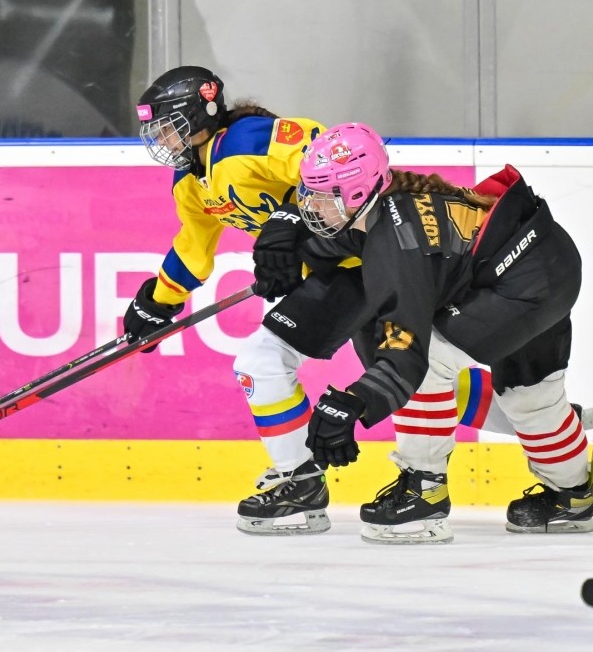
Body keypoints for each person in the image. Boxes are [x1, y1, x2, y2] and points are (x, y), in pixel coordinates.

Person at [124, 66, 532, 536]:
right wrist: (157, 303)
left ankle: (299, 483)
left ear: (202, 112)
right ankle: (550, 427)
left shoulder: (247, 140)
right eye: (156, 130)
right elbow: (193, 249)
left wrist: (285, 222)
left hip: (368, 258)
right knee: (409, 379)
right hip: (340, 270)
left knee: (263, 360)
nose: (160, 139)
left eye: (168, 125)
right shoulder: (190, 183)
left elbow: (326, 153)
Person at [295, 122, 593, 544]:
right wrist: (289, 247)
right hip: (545, 261)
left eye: (322, 194)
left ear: (355, 194)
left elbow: (407, 352)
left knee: (427, 366)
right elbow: (345, 245)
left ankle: (424, 491)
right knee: (530, 399)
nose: (311, 204)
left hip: (524, 284)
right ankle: (572, 497)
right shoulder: (389, 204)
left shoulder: (398, 243)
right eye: (309, 191)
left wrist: (354, 403)